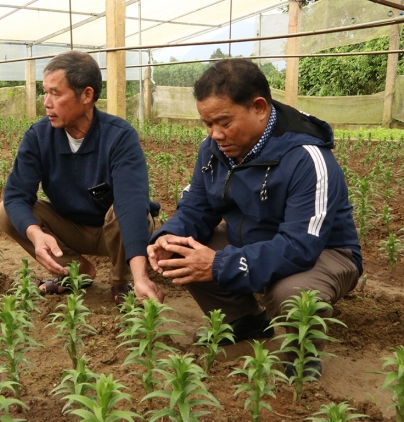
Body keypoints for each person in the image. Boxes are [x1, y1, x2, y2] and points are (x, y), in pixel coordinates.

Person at [147, 58, 362, 379]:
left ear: (259, 107)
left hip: (323, 253)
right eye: (207, 124)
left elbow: (301, 246)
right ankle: (243, 320)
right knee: (183, 247)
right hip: (254, 239)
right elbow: (196, 208)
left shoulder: (307, 157)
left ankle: (301, 352)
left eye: (224, 122)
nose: (215, 134)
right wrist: (166, 236)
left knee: (292, 293)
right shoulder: (213, 150)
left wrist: (218, 264)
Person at [0, 50, 164, 305]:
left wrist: (142, 275)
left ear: (86, 95)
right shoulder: (39, 136)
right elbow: (16, 194)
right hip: (71, 226)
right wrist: (35, 234)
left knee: (128, 210)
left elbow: (131, 203)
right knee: (6, 212)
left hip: (115, 230)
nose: (46, 102)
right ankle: (76, 271)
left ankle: (125, 281)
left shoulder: (118, 136)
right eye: (45, 92)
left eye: (56, 93)